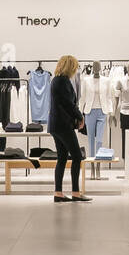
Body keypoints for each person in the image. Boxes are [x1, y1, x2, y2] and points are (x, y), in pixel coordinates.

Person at [48, 54, 89, 202]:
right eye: (75, 66)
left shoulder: (56, 81)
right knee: (77, 156)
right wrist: (80, 116)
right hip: (63, 126)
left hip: (56, 125)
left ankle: (58, 193)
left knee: (62, 158)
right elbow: (68, 104)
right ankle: (75, 192)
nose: (76, 70)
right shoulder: (63, 81)